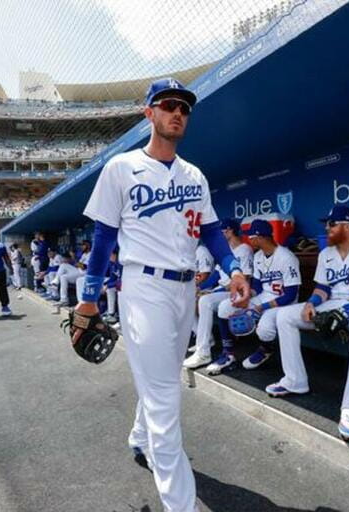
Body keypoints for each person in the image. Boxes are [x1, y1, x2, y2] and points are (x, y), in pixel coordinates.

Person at [73, 77, 250, 512]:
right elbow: (103, 237)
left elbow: (211, 231)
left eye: (184, 107)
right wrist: (89, 297)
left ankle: (139, 438)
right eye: (168, 104)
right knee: (166, 399)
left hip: (185, 288)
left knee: (162, 382)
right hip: (144, 287)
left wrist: (234, 268)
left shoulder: (195, 174)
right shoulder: (121, 167)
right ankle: (180, 505)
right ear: (148, 112)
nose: (177, 112)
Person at [270, 205, 349, 440]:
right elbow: (323, 288)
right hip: (333, 304)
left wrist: (347, 311)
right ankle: (295, 380)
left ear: (348, 226)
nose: (327, 228)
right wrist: (311, 304)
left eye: (332, 224)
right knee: (284, 315)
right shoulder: (326, 253)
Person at [206, 219, 301, 375]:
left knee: (264, 329)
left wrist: (261, 308)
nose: (249, 239)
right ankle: (228, 353)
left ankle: (266, 348)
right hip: (264, 297)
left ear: (261, 237)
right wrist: (246, 296)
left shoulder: (287, 257)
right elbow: (257, 287)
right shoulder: (258, 257)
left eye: (252, 237)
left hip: (283, 303)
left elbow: (290, 294)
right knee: (225, 307)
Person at [183, 218, 253, 369]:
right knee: (202, 300)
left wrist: (212, 291)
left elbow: (244, 279)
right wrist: (202, 289)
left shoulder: (244, 249)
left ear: (230, 231)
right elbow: (216, 275)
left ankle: (217, 350)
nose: (221, 234)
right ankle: (203, 349)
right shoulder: (228, 251)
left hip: (238, 292)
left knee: (210, 302)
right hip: (222, 290)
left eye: (223, 231)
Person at [56, 240, 91, 306]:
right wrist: (74, 261)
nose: (81, 247)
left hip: (83, 274)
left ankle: (63, 298)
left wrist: (74, 258)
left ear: (88, 246)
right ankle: (56, 284)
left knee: (64, 277)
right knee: (63, 266)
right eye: (81, 245)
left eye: (83, 245)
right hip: (78, 271)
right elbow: (77, 264)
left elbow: (84, 267)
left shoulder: (90, 254)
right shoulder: (83, 254)